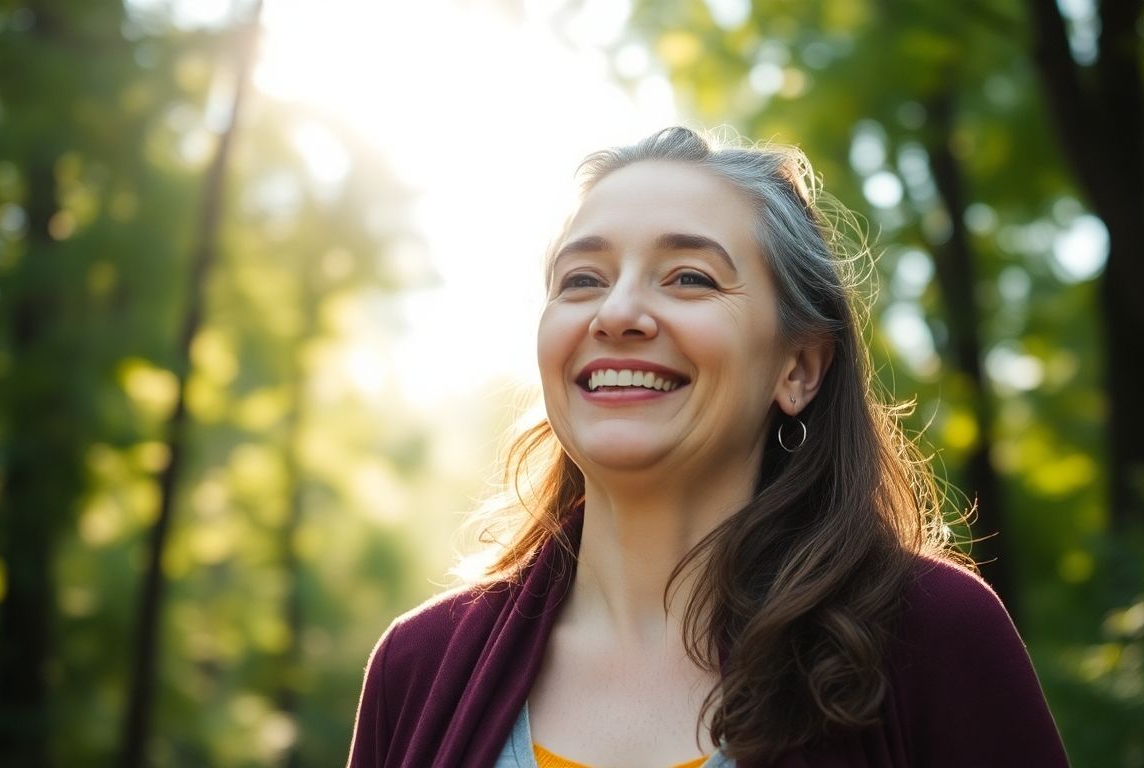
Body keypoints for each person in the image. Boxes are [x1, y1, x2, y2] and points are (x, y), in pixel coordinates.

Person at [347, 127, 1069, 768]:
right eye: (582, 280)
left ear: (798, 369)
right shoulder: (417, 667)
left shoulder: (933, 638)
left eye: (689, 278)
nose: (617, 313)